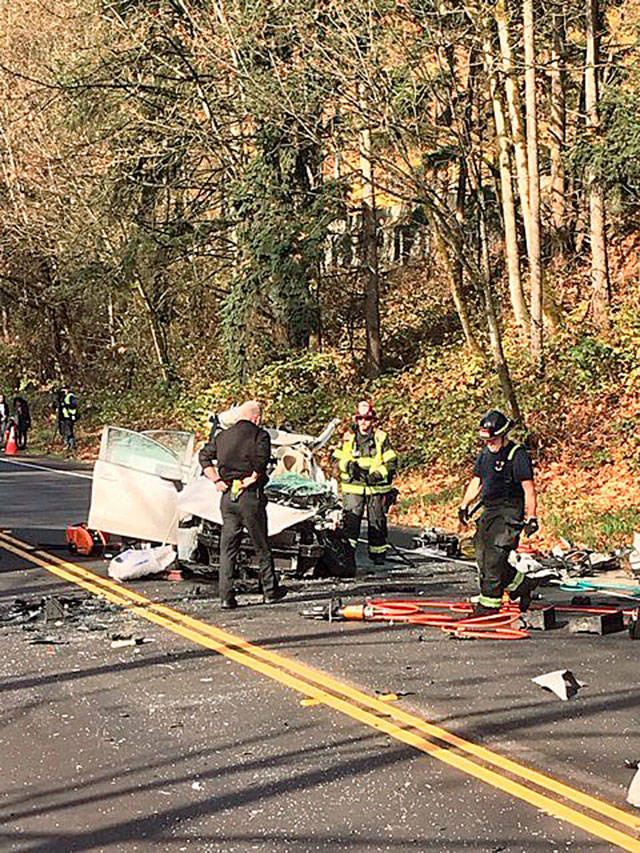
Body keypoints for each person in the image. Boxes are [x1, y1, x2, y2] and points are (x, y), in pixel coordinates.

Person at [198, 399, 286, 609]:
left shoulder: (222, 436)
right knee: (261, 545)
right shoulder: (259, 435)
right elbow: (261, 463)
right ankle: (270, 592)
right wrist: (251, 479)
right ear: (256, 418)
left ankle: (226, 597)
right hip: (250, 497)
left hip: (228, 496)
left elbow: (203, 457)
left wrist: (217, 481)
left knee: (228, 548)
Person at [458, 409, 539, 615]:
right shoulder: (485, 455)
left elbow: (528, 489)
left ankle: (488, 607)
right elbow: (477, 481)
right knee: (482, 554)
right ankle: (522, 584)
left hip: (509, 512)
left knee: (494, 556)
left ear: (503, 435)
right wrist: (464, 505)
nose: (490, 444)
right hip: (489, 511)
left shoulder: (516, 455)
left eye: (493, 439)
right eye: (487, 440)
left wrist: (531, 517)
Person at [332, 400, 398, 568]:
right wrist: (348, 466)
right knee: (351, 524)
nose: (363, 422)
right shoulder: (348, 439)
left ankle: (378, 555)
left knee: (377, 522)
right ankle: (347, 556)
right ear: (356, 420)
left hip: (376, 488)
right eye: (360, 419)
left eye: (367, 419)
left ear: (372, 420)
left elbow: (391, 462)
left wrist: (377, 475)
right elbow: (336, 460)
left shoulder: (381, 438)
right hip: (353, 487)